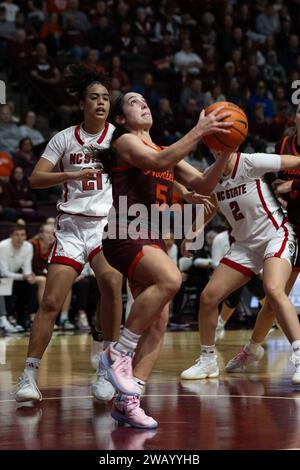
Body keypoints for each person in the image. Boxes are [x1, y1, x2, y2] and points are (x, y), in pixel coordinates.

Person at [95, 91, 233, 428]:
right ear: (120, 119)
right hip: (125, 231)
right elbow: (158, 163)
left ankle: (128, 401)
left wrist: (225, 153)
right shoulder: (124, 142)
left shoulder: (164, 149)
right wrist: (199, 131)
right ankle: (118, 353)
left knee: (159, 322)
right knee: (171, 279)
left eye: (146, 100)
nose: (143, 104)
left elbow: (202, 183)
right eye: (133, 102)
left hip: (153, 238)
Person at [14, 65, 123, 403]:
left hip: (105, 225)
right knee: (50, 301)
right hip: (72, 227)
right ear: (82, 104)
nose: (101, 103)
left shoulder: (119, 138)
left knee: (112, 284)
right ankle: (29, 375)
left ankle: (107, 366)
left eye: (105, 98)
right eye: (94, 97)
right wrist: (70, 175)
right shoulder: (64, 138)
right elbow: (35, 178)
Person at [180, 145, 300, 385]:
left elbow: (296, 161)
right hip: (244, 245)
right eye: (214, 146)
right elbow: (212, 205)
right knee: (208, 297)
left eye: (223, 144)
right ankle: (207, 360)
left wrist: (292, 186)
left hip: (276, 234)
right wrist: (193, 232)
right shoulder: (211, 175)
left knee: (274, 289)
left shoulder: (251, 161)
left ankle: (298, 357)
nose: (218, 151)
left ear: (233, 144)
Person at [226, 104, 300, 375]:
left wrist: (294, 185)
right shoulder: (284, 144)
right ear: (296, 117)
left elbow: (289, 183)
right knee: (273, 298)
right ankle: (252, 349)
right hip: (293, 227)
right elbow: (273, 181)